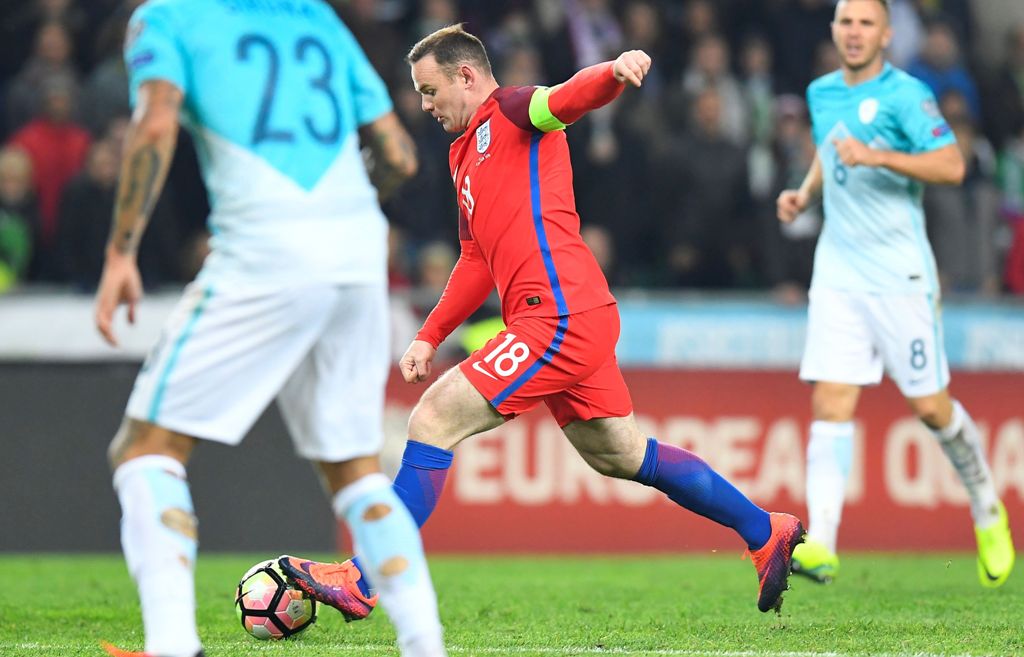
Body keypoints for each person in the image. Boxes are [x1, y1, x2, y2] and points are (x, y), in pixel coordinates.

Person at [281, 24, 804, 621]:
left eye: (430, 91)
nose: (425, 106)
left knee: (432, 419)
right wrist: (429, 335)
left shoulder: (513, 110)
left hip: (558, 315)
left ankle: (363, 578)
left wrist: (613, 72)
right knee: (621, 454)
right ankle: (765, 530)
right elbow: (475, 259)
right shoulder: (461, 154)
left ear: (466, 76)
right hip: (572, 315)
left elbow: (568, 97)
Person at [93, 2, 447, 656]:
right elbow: (399, 155)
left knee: (146, 448)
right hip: (358, 250)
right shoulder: (315, 17)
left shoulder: (168, 18)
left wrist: (120, 252)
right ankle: (426, 645)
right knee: (357, 472)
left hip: (265, 245)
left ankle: (172, 645)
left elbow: (155, 122)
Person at [776, 0, 1015, 586]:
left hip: (900, 275)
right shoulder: (821, 93)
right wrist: (805, 193)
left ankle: (986, 504)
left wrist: (877, 154)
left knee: (931, 409)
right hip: (839, 272)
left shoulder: (907, 95)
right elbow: (832, 150)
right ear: (834, 30)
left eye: (866, 23)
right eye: (846, 22)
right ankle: (822, 543)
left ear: (886, 35)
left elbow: (952, 165)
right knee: (831, 401)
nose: (854, 32)